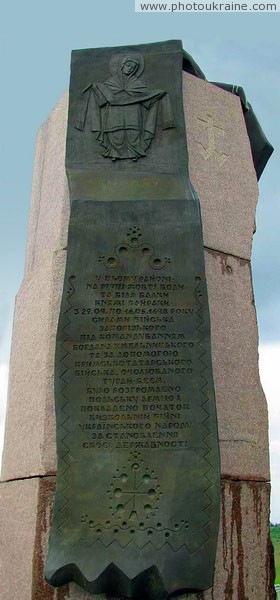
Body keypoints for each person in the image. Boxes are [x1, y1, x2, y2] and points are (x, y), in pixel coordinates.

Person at [75, 53, 175, 161]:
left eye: (133, 68)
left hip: (132, 111)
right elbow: (103, 97)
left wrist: (156, 94)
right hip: (114, 111)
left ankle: (134, 152)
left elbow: (145, 96)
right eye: (128, 66)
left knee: (132, 133)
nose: (130, 69)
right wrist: (97, 87)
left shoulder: (136, 83)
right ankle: (114, 153)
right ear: (122, 65)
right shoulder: (112, 82)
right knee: (116, 134)